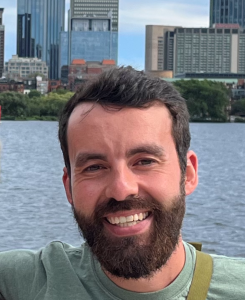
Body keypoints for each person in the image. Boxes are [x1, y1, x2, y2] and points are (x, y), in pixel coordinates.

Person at [0, 67, 244, 300]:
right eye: (94, 167)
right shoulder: (26, 281)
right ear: (69, 187)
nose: (121, 189)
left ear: (188, 173)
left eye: (145, 161)